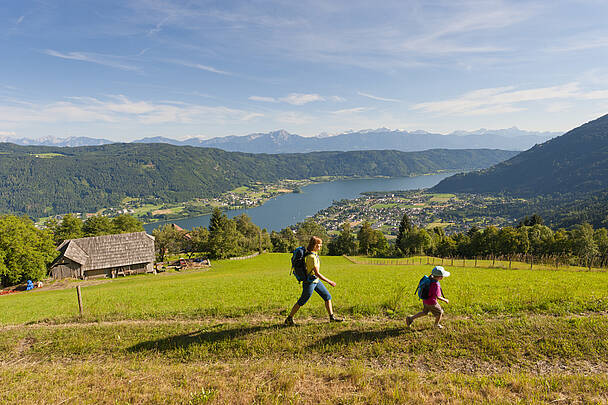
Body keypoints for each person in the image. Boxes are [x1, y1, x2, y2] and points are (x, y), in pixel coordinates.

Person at [285, 236, 343, 325]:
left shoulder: (313, 254)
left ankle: (331, 318)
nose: (320, 247)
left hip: (316, 281)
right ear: (314, 245)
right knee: (302, 301)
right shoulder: (311, 257)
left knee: (327, 297)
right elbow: (317, 273)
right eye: (319, 245)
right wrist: (329, 281)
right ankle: (289, 319)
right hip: (310, 282)